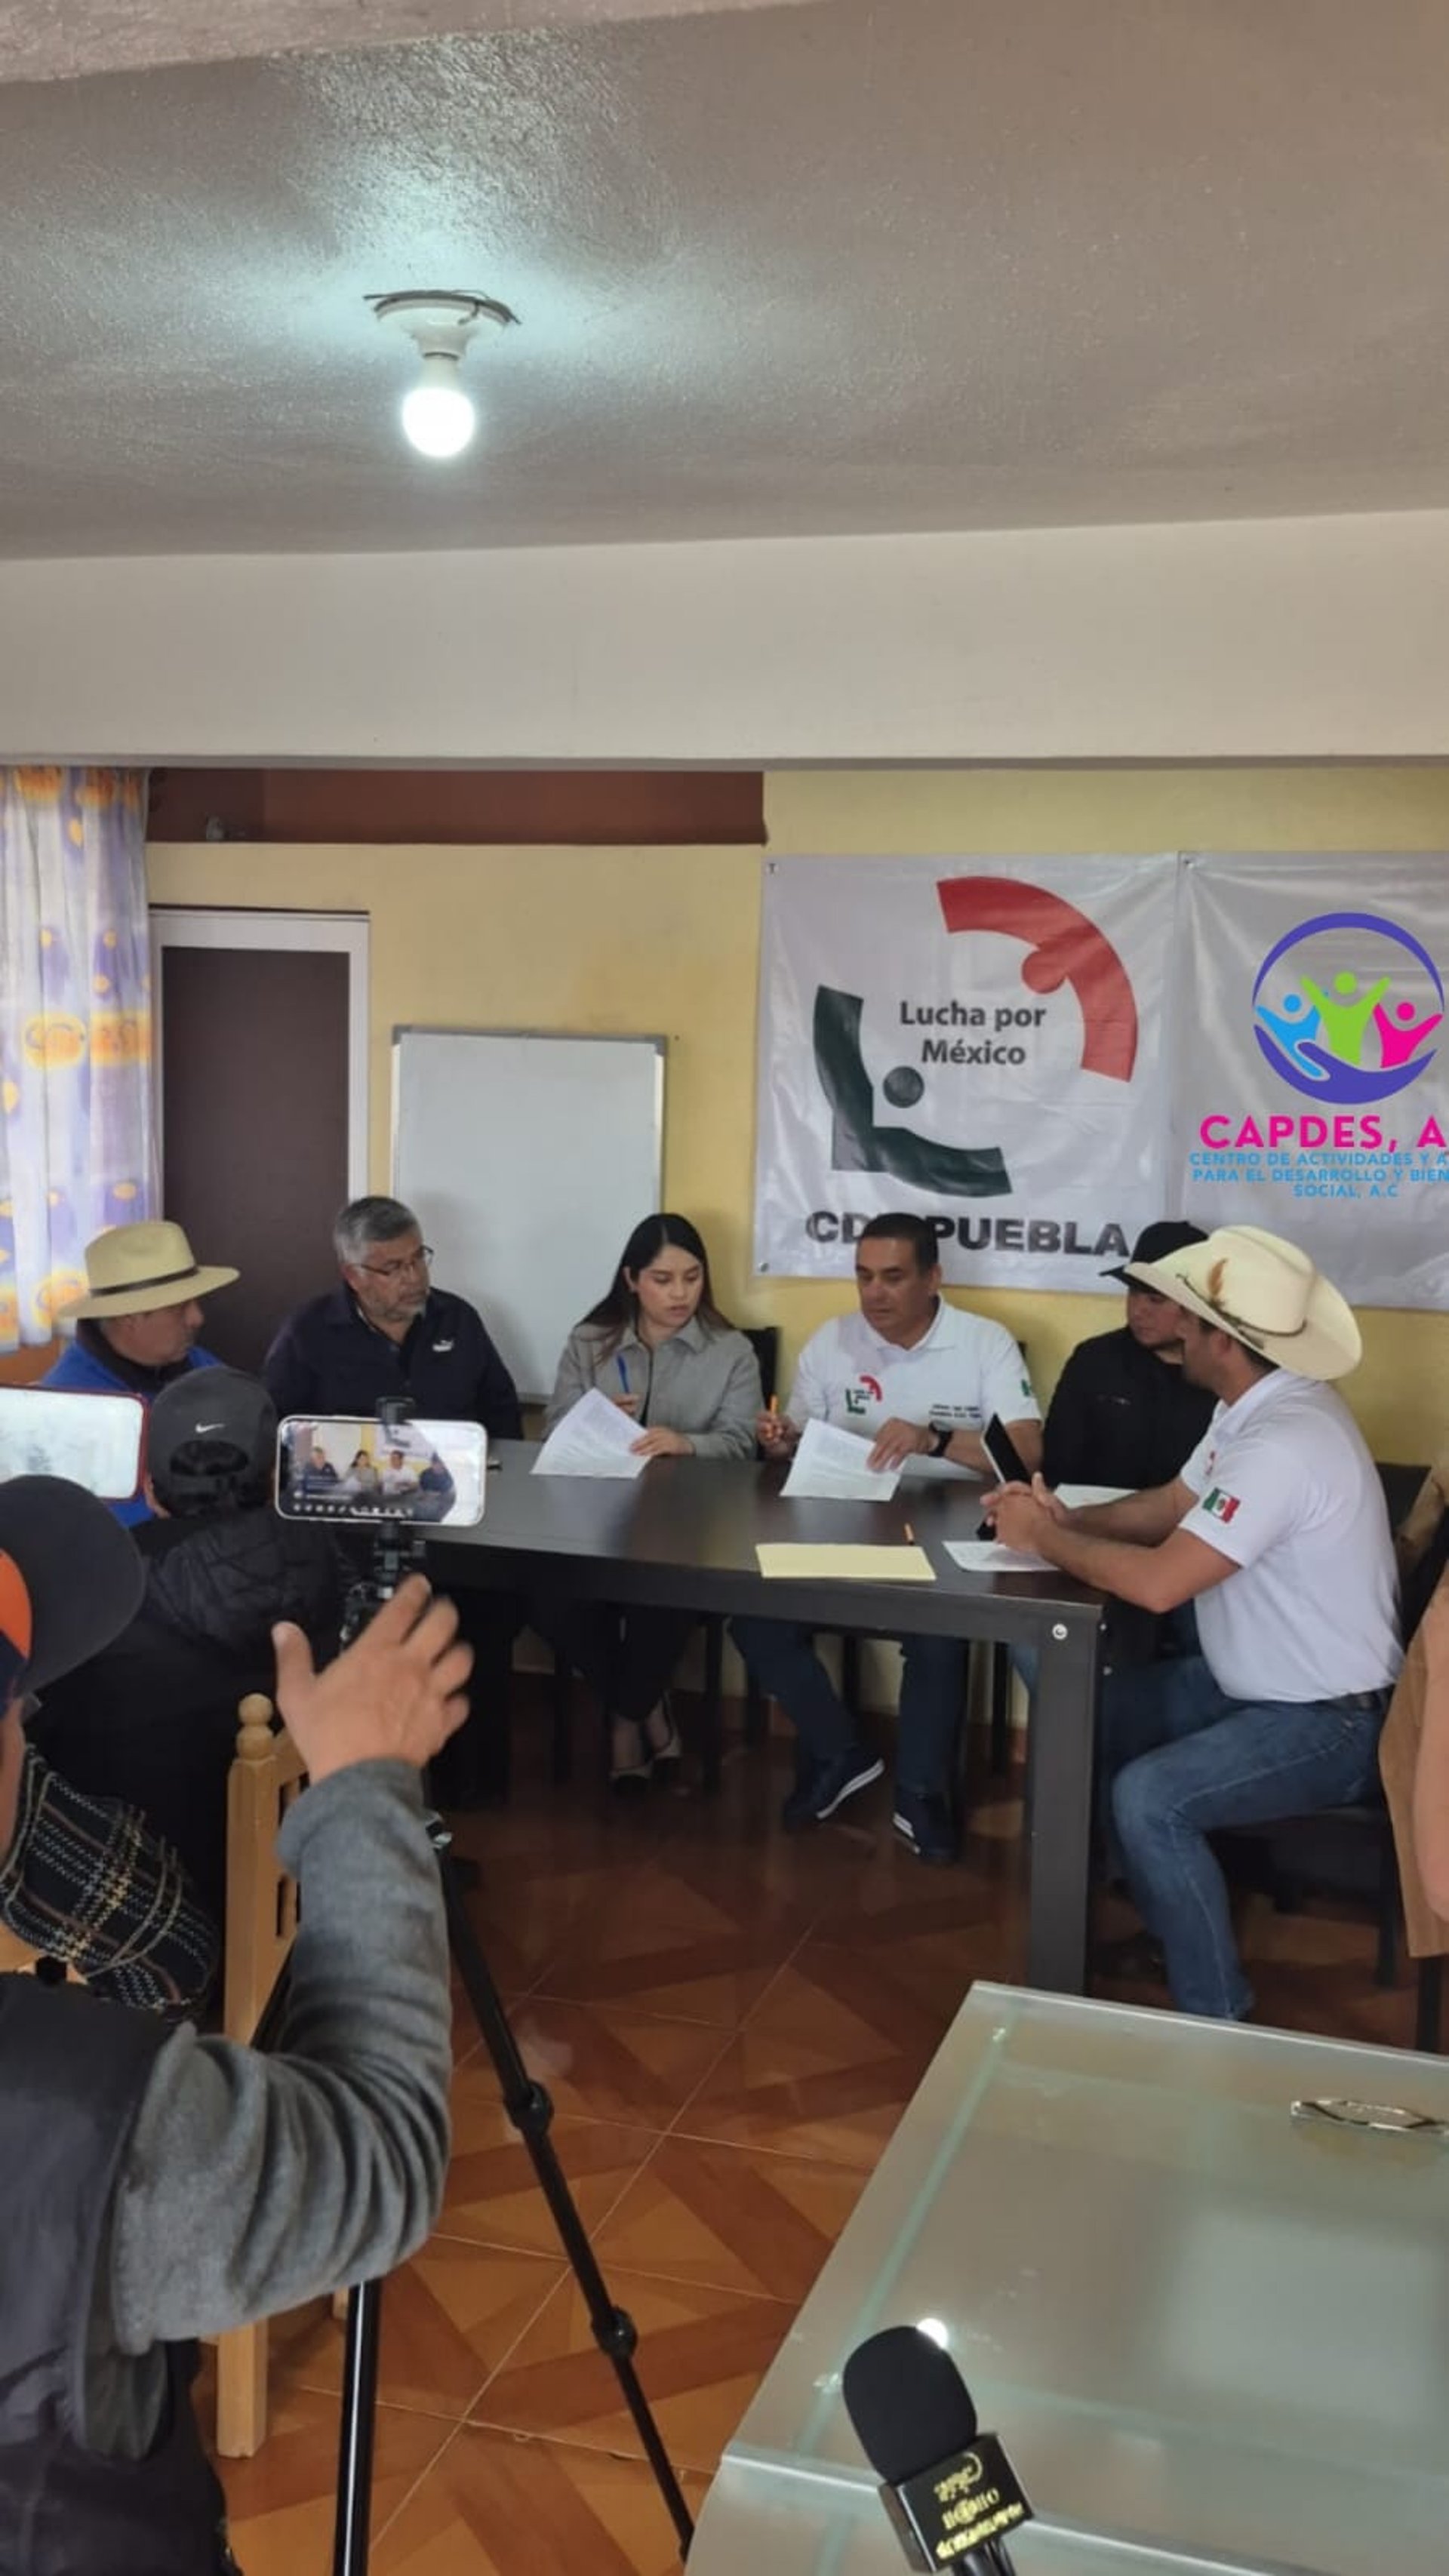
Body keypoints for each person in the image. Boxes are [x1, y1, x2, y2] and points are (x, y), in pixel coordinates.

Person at [0, 1476, 469, 2569]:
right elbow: (382, 2152)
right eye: (16, 1712)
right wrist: (364, 1790)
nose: (28, 1729)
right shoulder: (75, 2123)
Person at [989, 1225, 1401, 2019]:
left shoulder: (1285, 1443)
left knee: (1151, 1799)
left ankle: (1217, 2014)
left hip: (1328, 1718)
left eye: (1189, 1316)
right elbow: (1174, 1505)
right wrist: (1066, 1517)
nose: (1173, 1326)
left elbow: (1159, 1585)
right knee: (1090, 1721)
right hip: (1254, 1684)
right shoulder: (1252, 1408)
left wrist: (1044, 1539)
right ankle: (1174, 1930)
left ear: (1225, 1341)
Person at [733, 1213, 1043, 1864]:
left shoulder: (983, 1342)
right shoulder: (832, 1340)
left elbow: (1026, 1452)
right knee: (756, 1620)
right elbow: (799, 1437)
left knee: (937, 1632)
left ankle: (921, 1792)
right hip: (840, 1520)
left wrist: (934, 1439)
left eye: (894, 1277)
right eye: (864, 1276)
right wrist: (782, 1441)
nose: (874, 1293)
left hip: (946, 1527)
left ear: (933, 1278)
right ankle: (840, 1751)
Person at [31, 1369, 343, 1925]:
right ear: (278, 1477)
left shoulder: (99, 1594)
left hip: (132, 1909)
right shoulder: (337, 1567)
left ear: (150, 1490)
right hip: (293, 1897)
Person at [264, 1194, 523, 1804]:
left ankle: (468, 1786)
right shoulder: (308, 1332)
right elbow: (277, 1433)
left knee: (492, 1613)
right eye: (392, 1267)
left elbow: (503, 1417)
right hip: (348, 1539)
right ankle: (372, 1783)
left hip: (455, 1529)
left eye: (418, 1259)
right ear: (353, 1274)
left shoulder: (458, 1321)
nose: (413, 1278)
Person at [542, 1214, 761, 1781]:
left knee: (660, 1598)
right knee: (549, 1599)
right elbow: (554, 1429)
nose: (680, 1294)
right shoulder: (590, 1342)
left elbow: (744, 1445)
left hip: (690, 1527)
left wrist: (686, 1443)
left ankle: (623, 1721)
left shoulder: (731, 1351)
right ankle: (645, 1707)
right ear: (632, 1279)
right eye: (663, 1280)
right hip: (595, 1524)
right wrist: (592, 1418)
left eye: (692, 1277)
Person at [1039, 1218, 1214, 1669]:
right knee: (1037, 1642)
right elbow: (1057, 1465)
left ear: (1195, 1305)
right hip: (1092, 1543)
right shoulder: (1095, 1361)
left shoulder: (1222, 1378)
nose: (1138, 1310)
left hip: (1196, 1558)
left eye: (1155, 1299)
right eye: (1133, 1293)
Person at [42, 1219, 239, 1526]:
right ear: (129, 1318)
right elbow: (96, 1526)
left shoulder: (196, 1363)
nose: (197, 1317)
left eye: (195, 1302)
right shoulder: (69, 1408)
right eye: (180, 1308)